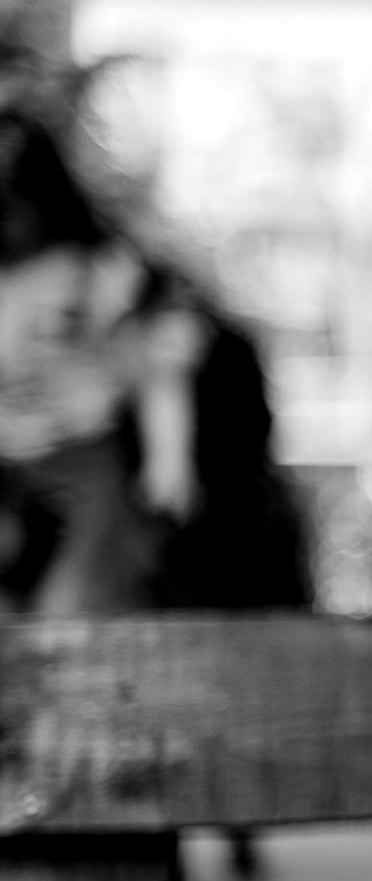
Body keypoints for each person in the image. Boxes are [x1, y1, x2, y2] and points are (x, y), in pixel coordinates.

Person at [0, 110, 308, 613]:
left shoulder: (139, 302)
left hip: (189, 592)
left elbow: (172, 375)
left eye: (58, 321)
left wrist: (141, 419)